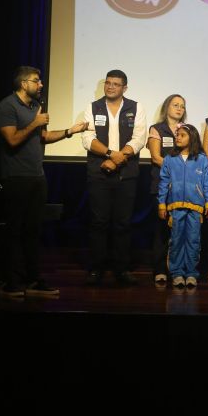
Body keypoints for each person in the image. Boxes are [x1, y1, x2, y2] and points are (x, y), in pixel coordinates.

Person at [0, 66, 88, 297]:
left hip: (37, 177)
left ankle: (33, 280)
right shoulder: (7, 106)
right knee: (15, 231)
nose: (41, 85)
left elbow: (44, 137)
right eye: (37, 81)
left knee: (33, 231)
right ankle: (11, 282)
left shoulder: (36, 107)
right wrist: (35, 124)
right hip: (16, 177)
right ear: (23, 83)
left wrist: (70, 131)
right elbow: (12, 139)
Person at [81, 69, 147, 286]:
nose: (110, 87)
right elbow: (87, 138)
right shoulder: (92, 107)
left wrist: (119, 158)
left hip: (126, 174)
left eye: (115, 84)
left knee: (123, 223)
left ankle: (122, 269)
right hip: (99, 171)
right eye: (108, 83)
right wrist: (111, 154)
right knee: (99, 222)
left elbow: (139, 139)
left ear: (124, 88)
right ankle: (96, 268)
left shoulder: (136, 107)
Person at [157, 124, 208, 289]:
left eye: (182, 135)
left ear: (193, 138)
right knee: (176, 240)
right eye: (177, 135)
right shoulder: (169, 159)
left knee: (193, 241)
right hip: (175, 208)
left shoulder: (202, 159)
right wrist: (162, 203)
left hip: (195, 209)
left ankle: (191, 273)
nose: (178, 137)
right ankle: (176, 273)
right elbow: (164, 182)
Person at [147, 94, 186, 285]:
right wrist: (178, 168)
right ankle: (160, 269)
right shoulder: (157, 129)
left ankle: (178, 269)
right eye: (175, 105)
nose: (179, 109)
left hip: (182, 188)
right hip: (162, 185)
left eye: (182, 106)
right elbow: (155, 157)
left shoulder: (187, 130)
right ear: (167, 107)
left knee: (181, 230)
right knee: (161, 229)